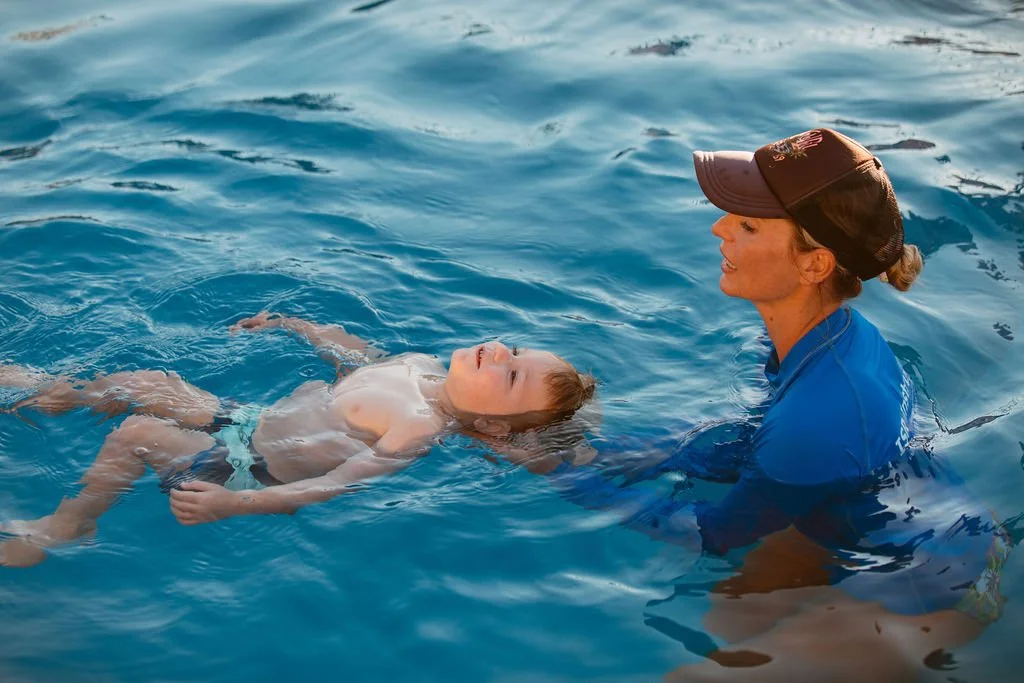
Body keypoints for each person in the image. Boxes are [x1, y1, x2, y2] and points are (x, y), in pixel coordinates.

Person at [529, 129, 1008, 681]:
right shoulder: (837, 340)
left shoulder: (819, 415)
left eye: (748, 225)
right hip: (944, 534)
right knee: (727, 617)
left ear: (815, 265)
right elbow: (760, 443)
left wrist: (565, 477)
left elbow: (710, 532)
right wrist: (638, 454)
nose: (719, 227)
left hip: (934, 596)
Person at [0, 312, 594, 567]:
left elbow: (336, 484)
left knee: (136, 433)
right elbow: (354, 356)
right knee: (146, 381)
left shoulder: (420, 428)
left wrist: (238, 502)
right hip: (247, 420)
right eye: (515, 351)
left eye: (511, 374)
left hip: (249, 465)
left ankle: (69, 523)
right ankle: (58, 392)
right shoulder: (421, 365)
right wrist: (298, 326)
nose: (502, 355)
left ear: (491, 425)